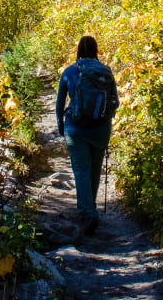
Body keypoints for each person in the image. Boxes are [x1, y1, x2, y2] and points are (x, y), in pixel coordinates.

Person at [55, 35, 119, 235]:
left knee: (81, 169)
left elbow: (59, 104)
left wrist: (60, 126)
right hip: (101, 129)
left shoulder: (69, 71)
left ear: (78, 50)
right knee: (94, 168)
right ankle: (90, 207)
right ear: (96, 50)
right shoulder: (105, 72)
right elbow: (115, 102)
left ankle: (87, 213)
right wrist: (104, 121)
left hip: (76, 128)